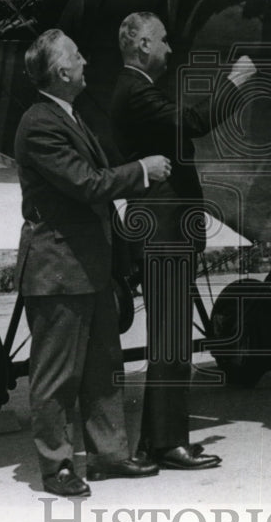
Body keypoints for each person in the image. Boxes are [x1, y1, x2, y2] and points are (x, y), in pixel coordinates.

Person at [14, 28, 172, 497]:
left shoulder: (70, 115)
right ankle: (57, 466)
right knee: (56, 374)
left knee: (105, 366)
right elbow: (86, 183)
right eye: (79, 56)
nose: (87, 62)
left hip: (88, 265)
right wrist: (142, 170)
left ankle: (109, 454)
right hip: (59, 267)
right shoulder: (40, 123)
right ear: (62, 71)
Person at [110, 12, 256, 469]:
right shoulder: (135, 92)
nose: (171, 50)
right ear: (142, 45)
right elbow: (194, 121)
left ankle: (160, 439)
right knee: (170, 339)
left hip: (166, 228)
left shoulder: (138, 90)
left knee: (171, 338)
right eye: (164, 41)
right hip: (162, 231)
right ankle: (165, 442)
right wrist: (236, 81)